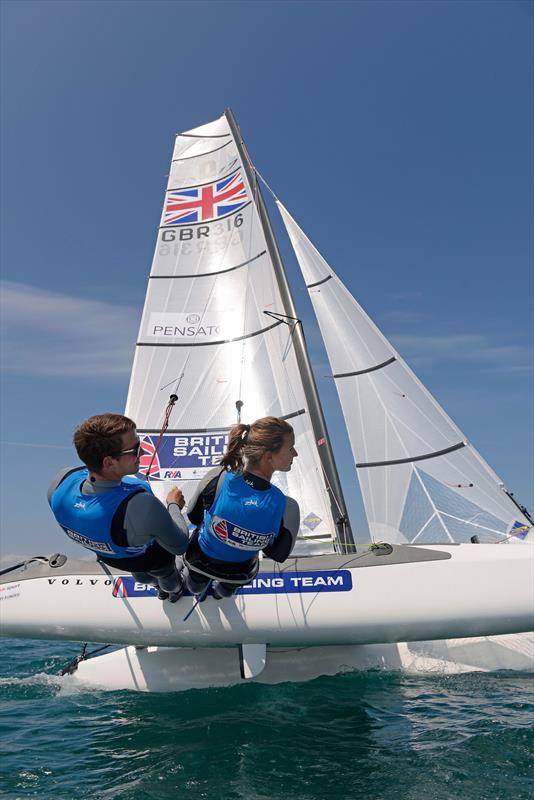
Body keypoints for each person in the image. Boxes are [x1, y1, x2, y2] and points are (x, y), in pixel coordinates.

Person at [48, 413, 189, 602]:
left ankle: (157, 588)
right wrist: (173, 504)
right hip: (150, 557)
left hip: (114, 557)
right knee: (166, 574)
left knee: (139, 570)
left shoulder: (60, 482)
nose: (144, 453)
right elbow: (180, 545)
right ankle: (173, 590)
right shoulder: (140, 505)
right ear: (108, 463)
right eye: (136, 449)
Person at [182, 416, 300, 599]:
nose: (295, 454)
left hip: (201, 560)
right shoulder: (287, 507)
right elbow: (277, 554)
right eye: (291, 448)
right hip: (240, 571)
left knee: (195, 584)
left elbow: (194, 517)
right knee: (228, 589)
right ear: (269, 457)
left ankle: (191, 591)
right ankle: (221, 595)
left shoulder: (218, 477)